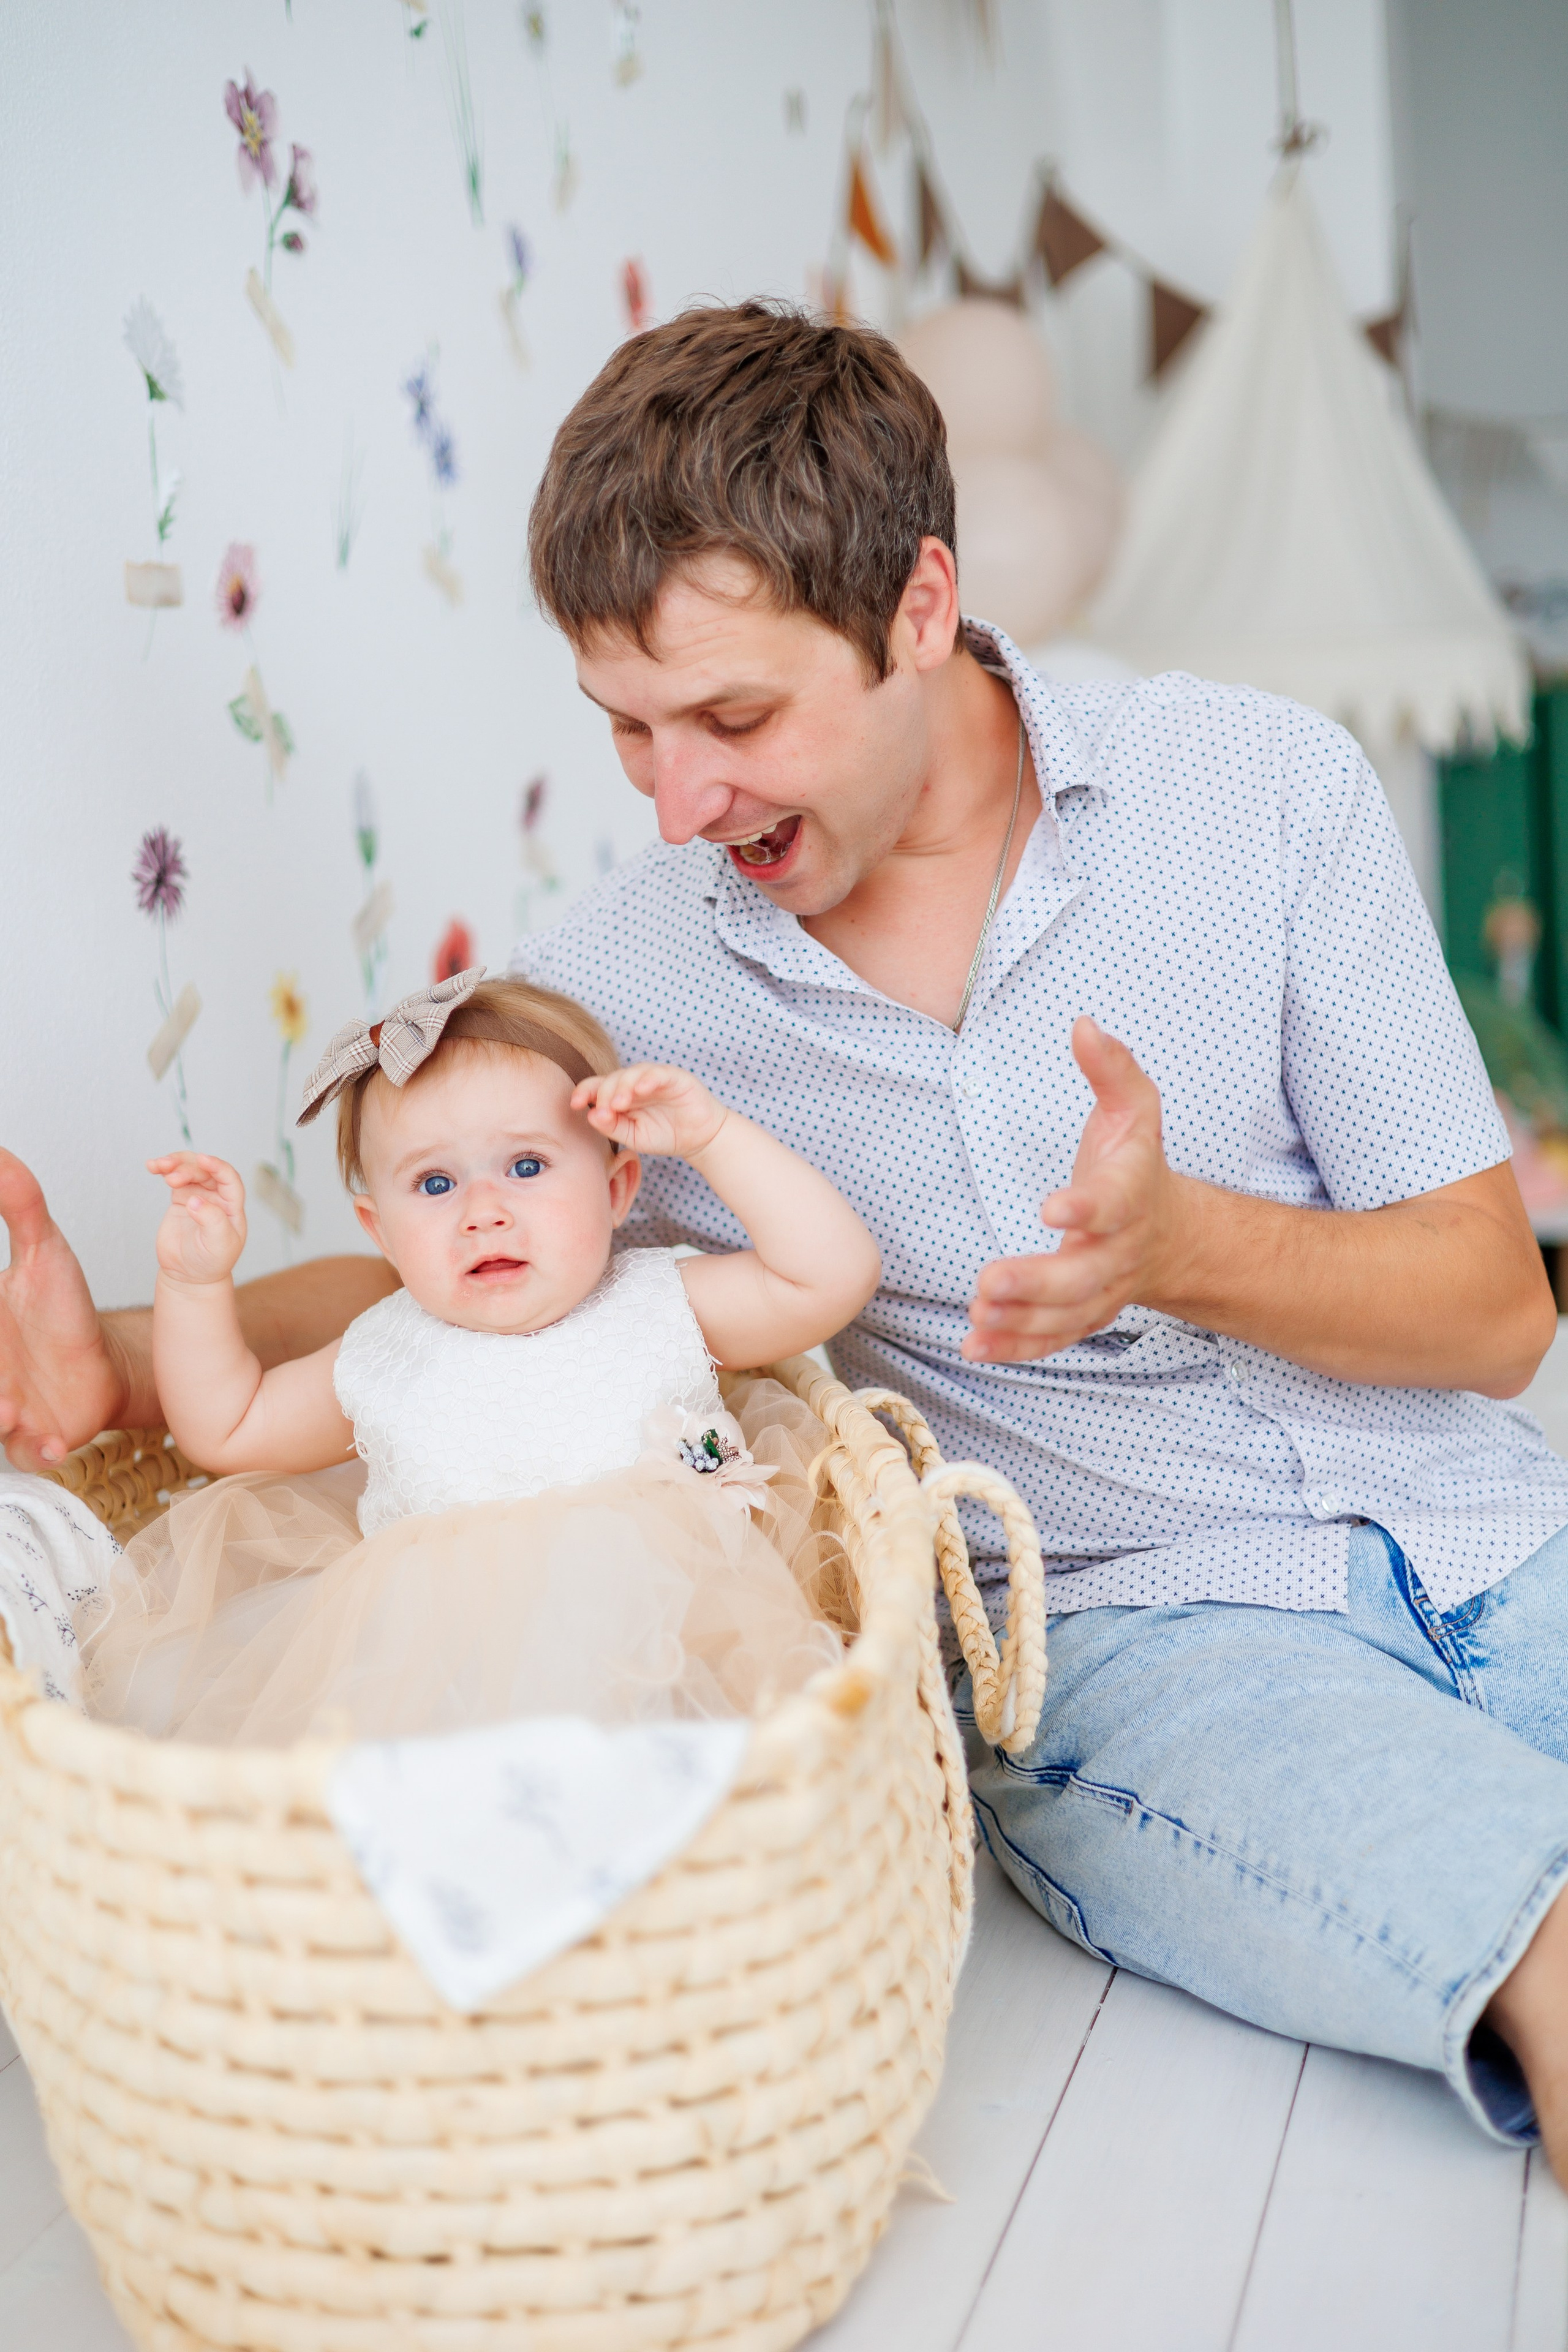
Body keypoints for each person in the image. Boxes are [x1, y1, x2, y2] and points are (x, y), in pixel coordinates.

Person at [7, 300, 1568, 2174]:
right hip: (1145, 1641)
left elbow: (1496, 1313)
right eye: (628, 731)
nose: (681, 800)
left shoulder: (1263, 794)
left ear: (918, 607)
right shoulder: (628, 985)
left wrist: (1182, 1245)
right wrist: (125, 1338)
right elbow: (463, 1272)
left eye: (737, 718)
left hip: (1490, 1519)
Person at [78, 970, 872, 1744]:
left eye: (526, 1167)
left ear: (617, 1188)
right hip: (441, 1688)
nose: (484, 1213)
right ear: (378, 1230)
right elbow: (228, 1426)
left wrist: (714, 1137)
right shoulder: (385, 1353)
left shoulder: (661, 1300)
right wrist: (194, 1281)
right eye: (433, 1184)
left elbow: (830, 1276)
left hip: (676, 1652)